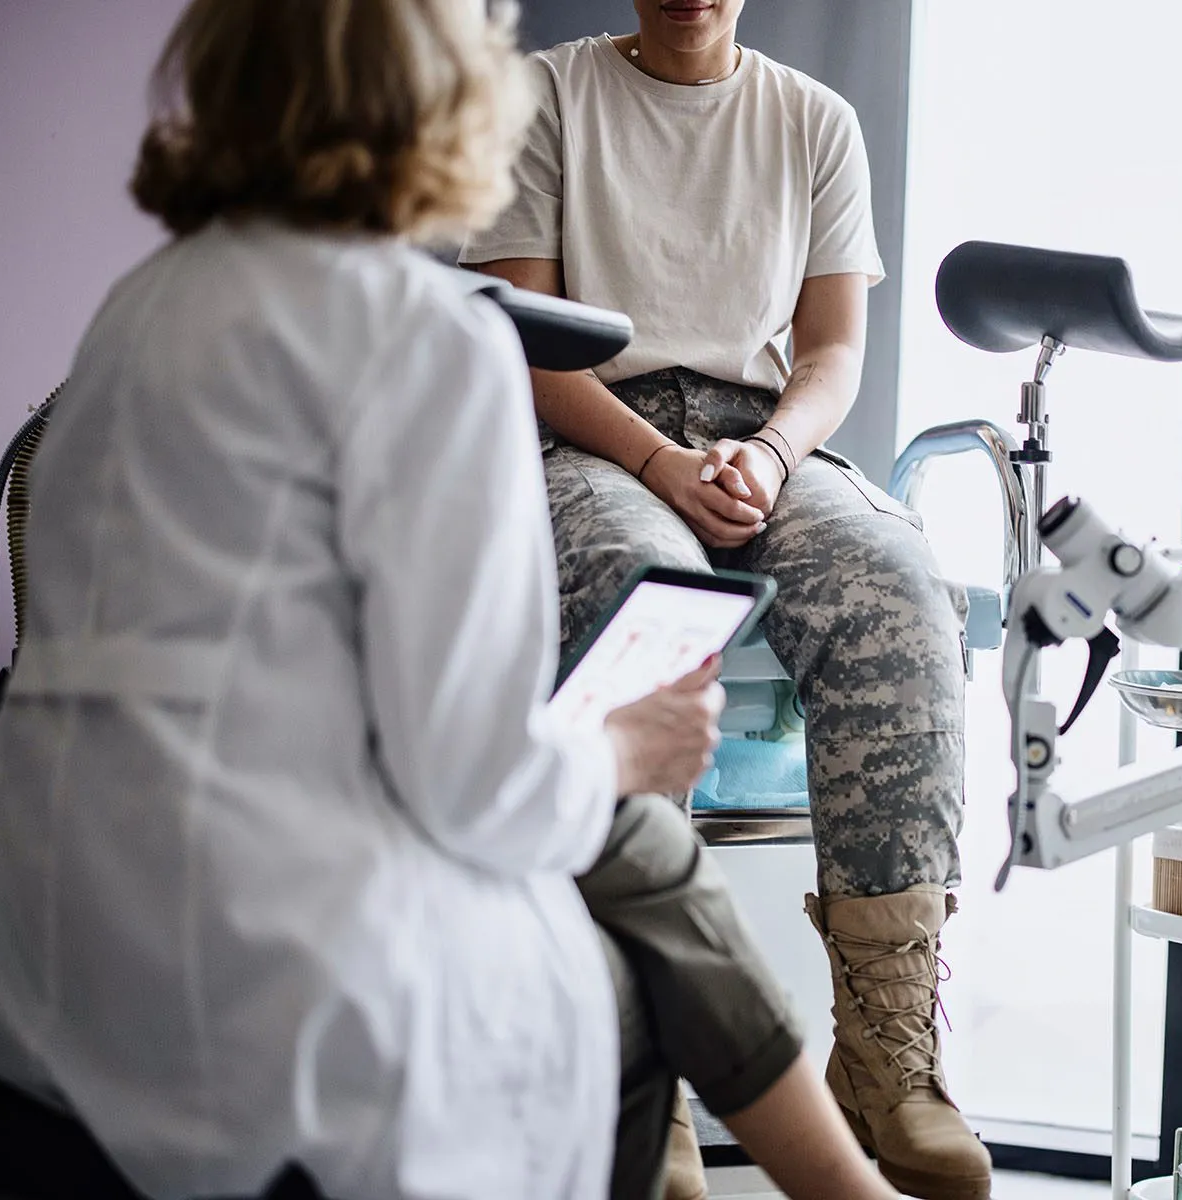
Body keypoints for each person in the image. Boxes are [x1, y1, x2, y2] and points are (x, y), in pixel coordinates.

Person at [0, 2, 900, 1198]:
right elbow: (478, 786)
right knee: (629, 970)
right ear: (450, 92)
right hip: (233, 1030)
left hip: (19, 987)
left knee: (635, 855)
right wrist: (626, 743)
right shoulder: (424, 343)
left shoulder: (140, 312)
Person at [463, 3, 989, 1198]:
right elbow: (531, 344)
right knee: (655, 596)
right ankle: (642, 1072)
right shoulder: (547, 98)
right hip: (597, 440)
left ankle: (887, 1053)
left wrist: (776, 457)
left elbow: (832, 354)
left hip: (762, 441)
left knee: (901, 582)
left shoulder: (814, 120)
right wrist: (658, 464)